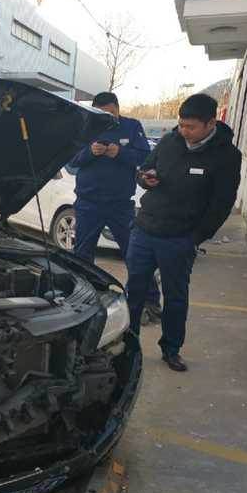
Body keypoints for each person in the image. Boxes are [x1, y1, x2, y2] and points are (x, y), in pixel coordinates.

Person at [126, 94, 242, 372]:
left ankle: (171, 349)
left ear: (211, 123)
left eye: (191, 127)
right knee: (134, 292)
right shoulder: (169, 142)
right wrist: (145, 179)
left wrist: (195, 238)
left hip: (179, 238)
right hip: (145, 230)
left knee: (176, 297)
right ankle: (128, 346)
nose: (184, 131)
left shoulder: (226, 156)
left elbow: (221, 204)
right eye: (181, 125)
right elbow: (144, 170)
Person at [68, 92, 162, 322]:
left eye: (111, 113)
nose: (107, 118)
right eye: (101, 114)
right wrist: (90, 152)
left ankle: (149, 301)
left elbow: (145, 157)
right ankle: (83, 300)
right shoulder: (85, 127)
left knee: (135, 254)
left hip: (120, 205)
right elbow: (71, 160)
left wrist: (119, 153)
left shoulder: (132, 127)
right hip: (88, 203)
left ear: (118, 109)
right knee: (82, 255)